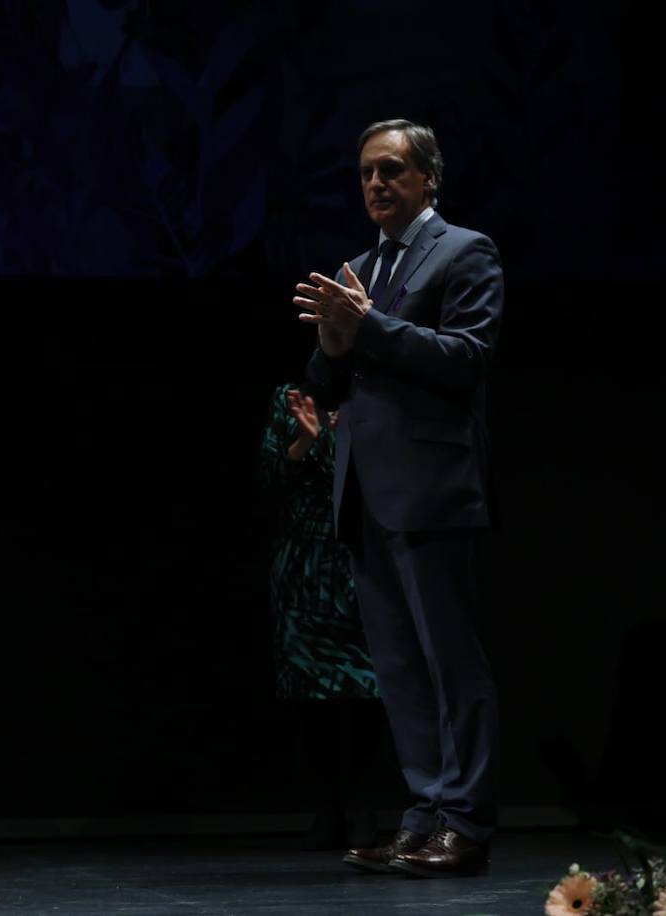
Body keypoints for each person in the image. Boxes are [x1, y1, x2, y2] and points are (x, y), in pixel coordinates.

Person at [292, 119, 503, 878]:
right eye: (366, 174)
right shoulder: (361, 267)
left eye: (392, 171)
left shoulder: (465, 251)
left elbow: (469, 358)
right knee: (400, 667)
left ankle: (466, 822)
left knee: (450, 662)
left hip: (430, 489)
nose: (376, 184)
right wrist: (334, 348)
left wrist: (370, 328)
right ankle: (424, 815)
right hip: (365, 493)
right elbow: (329, 382)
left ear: (427, 178)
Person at [257, 384, 381, 849]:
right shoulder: (292, 396)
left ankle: (363, 802)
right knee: (308, 686)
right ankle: (327, 805)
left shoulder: (374, 394)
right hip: (304, 559)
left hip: (361, 556)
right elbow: (269, 480)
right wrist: (306, 440)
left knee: (373, 682)